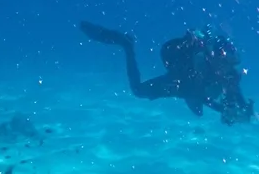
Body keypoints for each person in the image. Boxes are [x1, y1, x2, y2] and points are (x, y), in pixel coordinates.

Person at [80, 22, 254, 123]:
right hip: (180, 83)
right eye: (224, 63)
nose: (226, 69)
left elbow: (233, 97)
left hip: (192, 90)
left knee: (198, 111)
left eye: (230, 64)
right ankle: (126, 45)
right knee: (138, 90)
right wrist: (223, 110)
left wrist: (240, 111)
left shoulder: (229, 75)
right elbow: (197, 93)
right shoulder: (198, 64)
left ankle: (126, 44)